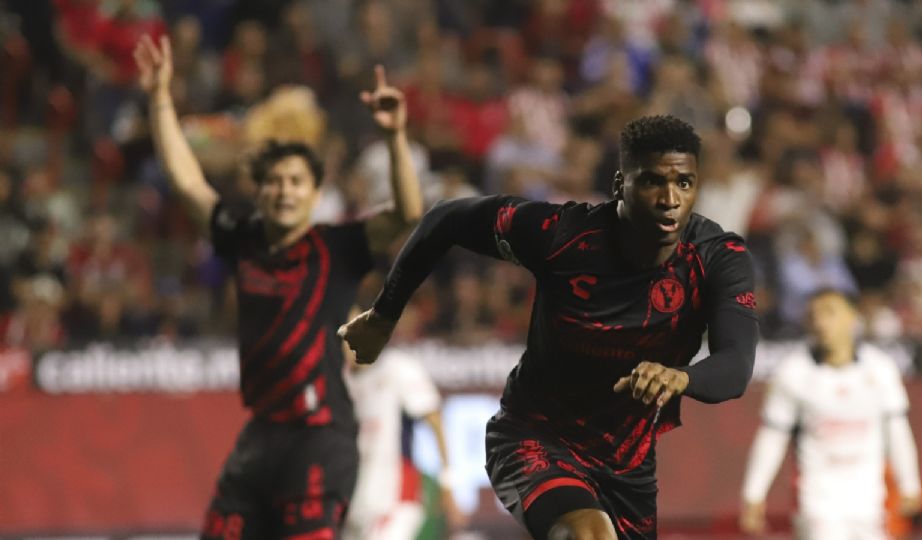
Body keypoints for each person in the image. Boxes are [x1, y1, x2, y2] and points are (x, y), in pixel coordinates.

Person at [340, 115, 759, 540]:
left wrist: (681, 377)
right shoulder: (562, 235)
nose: (670, 198)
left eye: (684, 183)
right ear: (620, 185)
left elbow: (737, 365)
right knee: (588, 535)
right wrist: (384, 315)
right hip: (532, 437)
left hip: (627, 467)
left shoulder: (717, 257)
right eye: (652, 181)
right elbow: (446, 219)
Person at [133, 35, 422, 538]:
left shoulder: (337, 247)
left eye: (295, 181)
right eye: (274, 181)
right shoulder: (242, 240)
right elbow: (187, 182)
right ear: (258, 190)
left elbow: (407, 213)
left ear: (314, 193)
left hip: (320, 438)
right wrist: (160, 97)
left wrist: (396, 137)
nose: (284, 190)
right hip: (260, 435)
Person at [739, 289, 922, 540]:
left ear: (851, 317)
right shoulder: (793, 373)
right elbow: (772, 437)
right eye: (813, 315)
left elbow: (898, 431)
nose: (821, 322)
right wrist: (753, 495)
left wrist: (910, 484)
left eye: (829, 312)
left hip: (871, 501)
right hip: (817, 501)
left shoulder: (880, 369)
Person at [343, 318, 465, 539]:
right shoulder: (341, 380)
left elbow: (434, 419)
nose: (345, 341)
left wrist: (448, 482)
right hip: (355, 500)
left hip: (395, 496)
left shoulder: (397, 368)